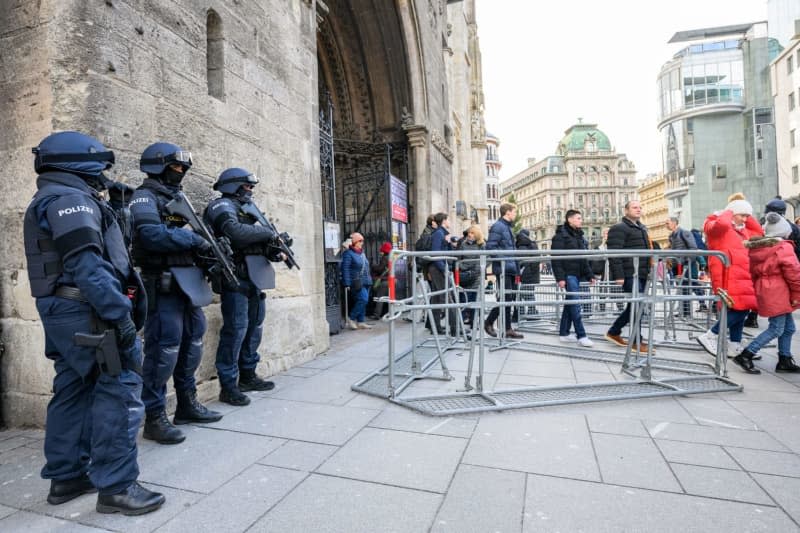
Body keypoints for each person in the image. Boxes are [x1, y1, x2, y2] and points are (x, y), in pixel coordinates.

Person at [24, 131, 164, 515]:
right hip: (89, 309)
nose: (104, 171)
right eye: (100, 164)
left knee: (72, 386)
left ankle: (66, 477)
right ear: (79, 162)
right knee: (119, 388)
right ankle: (117, 488)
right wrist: (119, 317)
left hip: (64, 310)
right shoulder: (71, 200)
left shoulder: (56, 196)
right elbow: (88, 265)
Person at [130, 143, 222, 444]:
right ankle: (155, 418)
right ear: (158, 166)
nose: (181, 173)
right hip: (162, 282)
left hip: (188, 283)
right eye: (176, 167)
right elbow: (150, 235)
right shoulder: (144, 197)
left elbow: (194, 235)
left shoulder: (178, 198)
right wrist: (192, 239)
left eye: (183, 168)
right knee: (163, 349)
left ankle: (187, 404)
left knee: (194, 340)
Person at [204, 168, 286, 406]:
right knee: (235, 330)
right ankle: (228, 386)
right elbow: (236, 233)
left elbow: (261, 242)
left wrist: (275, 246)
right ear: (234, 186)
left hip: (255, 277)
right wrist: (267, 233)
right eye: (247, 186)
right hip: (235, 277)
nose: (250, 191)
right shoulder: (221, 206)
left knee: (254, 327)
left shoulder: (250, 209)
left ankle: (248, 375)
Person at [696, 195, 763, 358]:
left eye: (747, 216)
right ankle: (710, 335)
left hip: (741, 274)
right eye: (743, 215)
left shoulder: (742, 230)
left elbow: (759, 234)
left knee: (742, 308)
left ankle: (734, 344)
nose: (746, 219)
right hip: (726, 274)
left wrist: (746, 212)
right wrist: (728, 212)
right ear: (732, 213)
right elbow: (721, 225)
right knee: (738, 309)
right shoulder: (715, 222)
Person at [734, 214, 800, 374]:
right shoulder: (784, 247)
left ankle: (784, 359)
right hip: (779, 290)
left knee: (789, 328)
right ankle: (746, 354)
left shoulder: (759, 248)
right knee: (776, 328)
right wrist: (797, 294)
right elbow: (793, 273)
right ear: (785, 232)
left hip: (766, 288)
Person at [604, 200, 651, 352]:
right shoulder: (619, 228)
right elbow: (614, 253)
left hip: (641, 273)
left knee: (635, 306)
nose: (638, 209)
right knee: (637, 307)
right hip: (630, 273)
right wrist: (619, 275)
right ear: (626, 211)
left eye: (640, 207)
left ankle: (614, 332)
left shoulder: (641, 228)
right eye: (634, 207)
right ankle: (636, 341)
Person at [551, 210, 594, 347]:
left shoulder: (579, 235)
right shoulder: (560, 236)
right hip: (568, 275)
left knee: (571, 304)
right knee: (575, 305)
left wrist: (590, 275)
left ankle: (564, 333)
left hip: (578, 274)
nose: (581, 220)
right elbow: (556, 259)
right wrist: (560, 278)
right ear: (570, 220)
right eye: (578, 218)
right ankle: (581, 335)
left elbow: (583, 258)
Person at [485, 203, 524, 339]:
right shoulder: (498, 227)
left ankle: (507, 329)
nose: (515, 214)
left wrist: (517, 269)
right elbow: (490, 248)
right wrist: (504, 259)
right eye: (514, 212)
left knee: (509, 298)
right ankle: (489, 322)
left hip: (510, 268)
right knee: (505, 298)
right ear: (507, 212)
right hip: (503, 268)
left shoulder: (507, 227)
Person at [666, 216, 704, 316]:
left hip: (686, 266)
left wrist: (687, 263)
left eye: (667, 223)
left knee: (687, 287)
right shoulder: (671, 236)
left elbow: (693, 248)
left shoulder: (684, 232)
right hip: (677, 265)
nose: (666, 225)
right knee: (682, 288)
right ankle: (684, 311)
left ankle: (688, 311)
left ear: (674, 223)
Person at [429, 212, 456, 333]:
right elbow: (436, 253)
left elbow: (446, 252)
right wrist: (443, 269)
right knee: (448, 297)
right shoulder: (439, 233)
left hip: (439, 267)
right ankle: (455, 328)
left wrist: (449, 243)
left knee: (436, 298)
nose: (449, 222)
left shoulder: (442, 234)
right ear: (444, 221)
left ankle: (435, 327)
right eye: (448, 220)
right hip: (438, 268)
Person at [340, 232, 373, 330]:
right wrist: (347, 283)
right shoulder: (348, 254)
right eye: (360, 241)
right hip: (356, 282)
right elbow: (345, 268)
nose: (362, 243)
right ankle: (351, 318)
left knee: (364, 301)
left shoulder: (362, 253)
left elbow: (366, 266)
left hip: (366, 281)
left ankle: (361, 321)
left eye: (362, 241)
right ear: (354, 242)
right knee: (363, 299)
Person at [459, 225, 485, 326]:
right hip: (465, 275)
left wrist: (476, 270)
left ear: (477, 234)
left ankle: (474, 322)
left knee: (474, 299)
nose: (470, 235)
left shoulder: (482, 245)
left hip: (476, 276)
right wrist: (463, 266)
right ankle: (460, 323)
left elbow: (484, 260)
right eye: (469, 233)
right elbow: (459, 258)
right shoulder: (463, 244)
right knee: (463, 300)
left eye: (472, 233)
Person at [515, 229, 540, 318]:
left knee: (521, 293)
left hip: (523, 274)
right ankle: (531, 312)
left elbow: (519, 262)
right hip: (532, 274)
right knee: (529, 293)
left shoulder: (520, 246)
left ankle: (523, 312)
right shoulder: (533, 245)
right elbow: (537, 260)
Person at [371, 242, 392, 319]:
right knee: (390, 298)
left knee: (380, 297)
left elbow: (380, 269)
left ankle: (377, 315)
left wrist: (373, 266)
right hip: (393, 281)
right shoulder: (392, 256)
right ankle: (390, 313)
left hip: (385, 281)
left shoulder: (385, 258)